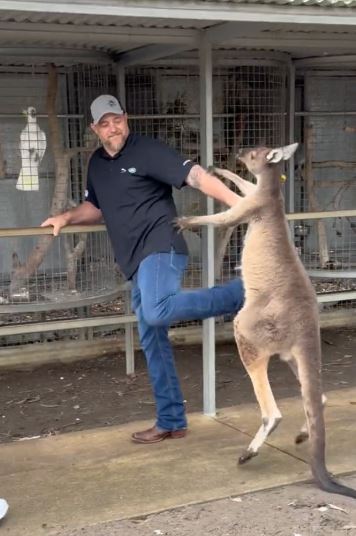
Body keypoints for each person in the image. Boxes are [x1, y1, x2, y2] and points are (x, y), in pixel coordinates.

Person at [41, 94, 244, 444]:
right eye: (104, 123)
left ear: (126, 118)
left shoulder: (147, 150)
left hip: (161, 246)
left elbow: (195, 176)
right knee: (152, 337)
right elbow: (95, 207)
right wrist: (66, 217)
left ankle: (245, 292)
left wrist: (240, 204)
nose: (112, 127)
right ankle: (171, 420)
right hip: (134, 261)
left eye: (116, 119)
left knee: (156, 309)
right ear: (95, 129)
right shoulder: (97, 164)